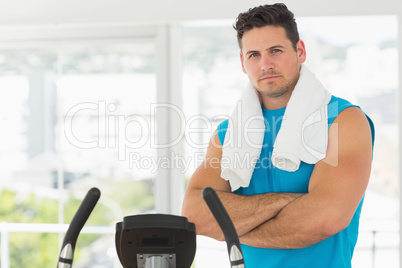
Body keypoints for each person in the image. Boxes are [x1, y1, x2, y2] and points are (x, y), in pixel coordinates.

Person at [181, 3, 375, 268]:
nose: (265, 64)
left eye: (275, 51)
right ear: (242, 62)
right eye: (254, 55)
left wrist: (231, 228)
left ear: (300, 51)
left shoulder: (343, 120)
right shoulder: (227, 134)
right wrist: (286, 201)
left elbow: (326, 218)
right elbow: (196, 216)